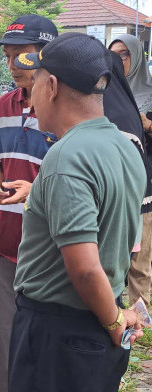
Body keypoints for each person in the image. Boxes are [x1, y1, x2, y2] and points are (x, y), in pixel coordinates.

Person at [5, 32, 146, 392]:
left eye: (33, 83)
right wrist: (115, 319)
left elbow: (84, 267)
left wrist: (111, 322)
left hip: (58, 335)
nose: (28, 95)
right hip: (94, 333)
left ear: (53, 86)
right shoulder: (126, 145)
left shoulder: (67, 157)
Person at [0, 14, 58, 392]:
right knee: (5, 335)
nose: (12, 63)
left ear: (46, 54)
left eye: (20, 54)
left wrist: (36, 188)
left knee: (46, 335)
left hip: (52, 248)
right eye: (7, 55)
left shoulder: (65, 109)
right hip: (5, 241)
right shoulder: (0, 108)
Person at [109, 34, 152, 308]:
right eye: (113, 55)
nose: (118, 60)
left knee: (141, 258)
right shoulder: (106, 93)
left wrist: (147, 125)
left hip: (146, 188)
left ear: (137, 57)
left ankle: (141, 316)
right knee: (116, 251)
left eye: (124, 54)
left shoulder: (150, 94)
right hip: (115, 186)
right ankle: (114, 308)